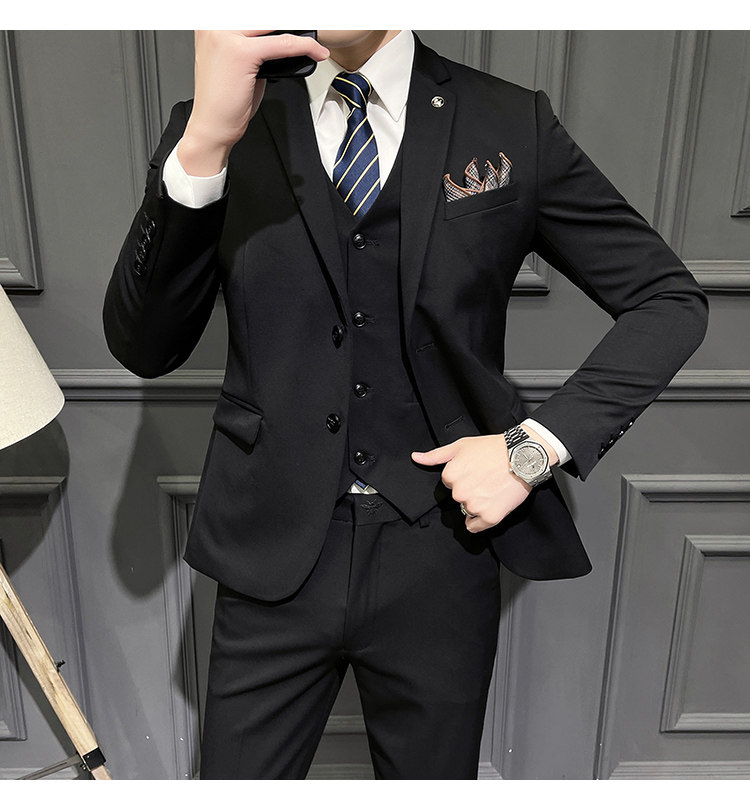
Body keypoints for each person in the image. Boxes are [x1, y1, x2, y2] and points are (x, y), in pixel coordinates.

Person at [102, 29, 708, 779]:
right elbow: (143, 347)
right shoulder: (218, 118)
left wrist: (532, 450)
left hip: (441, 553)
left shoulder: (508, 122)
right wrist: (203, 146)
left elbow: (667, 301)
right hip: (269, 547)